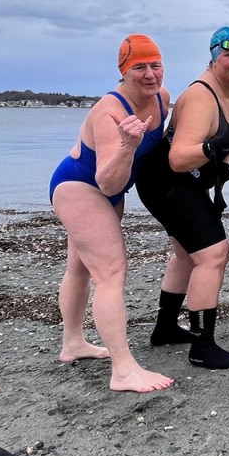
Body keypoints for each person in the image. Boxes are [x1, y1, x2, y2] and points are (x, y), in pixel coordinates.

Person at [47, 34, 174, 393]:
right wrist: (127, 146)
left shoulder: (162, 99)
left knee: (79, 265)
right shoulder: (110, 112)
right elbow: (107, 181)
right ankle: (123, 369)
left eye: (155, 65)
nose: (149, 75)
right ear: (123, 71)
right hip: (80, 187)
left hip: (102, 190)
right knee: (111, 271)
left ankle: (72, 343)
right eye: (139, 67)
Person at [135, 27, 229, 370]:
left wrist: (223, 172)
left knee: (188, 255)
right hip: (165, 180)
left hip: (185, 182)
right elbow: (179, 158)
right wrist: (213, 147)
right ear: (214, 59)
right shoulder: (202, 97)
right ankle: (203, 345)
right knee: (214, 254)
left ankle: (166, 327)